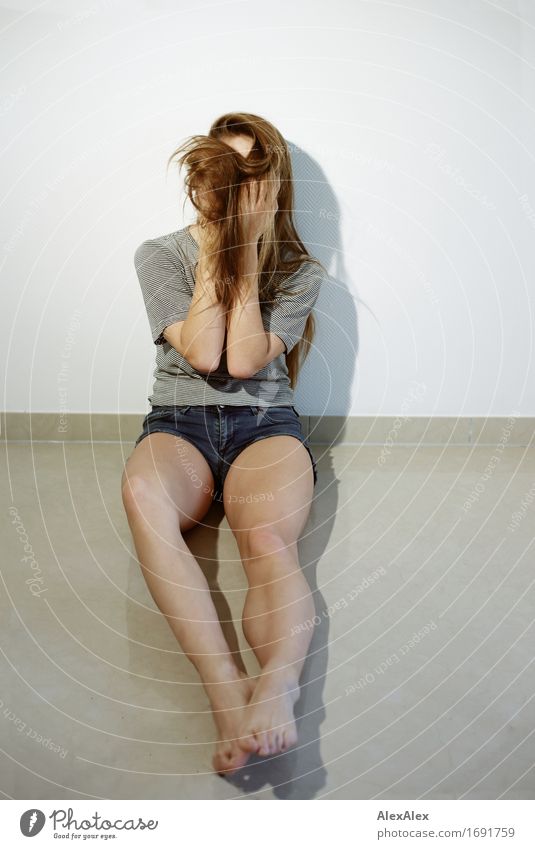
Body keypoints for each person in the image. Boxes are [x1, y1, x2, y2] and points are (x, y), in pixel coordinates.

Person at [121, 112, 327, 776]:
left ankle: (279, 684)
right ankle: (226, 695)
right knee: (143, 499)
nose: (232, 188)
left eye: (249, 175)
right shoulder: (159, 253)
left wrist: (252, 246)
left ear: (270, 187)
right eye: (222, 172)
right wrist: (219, 249)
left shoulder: (297, 269)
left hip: (264, 427)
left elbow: (240, 361)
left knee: (267, 539)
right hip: (177, 425)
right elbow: (201, 349)